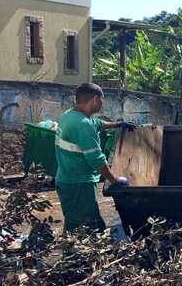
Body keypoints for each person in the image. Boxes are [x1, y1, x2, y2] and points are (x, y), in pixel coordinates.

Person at [55, 83, 134, 233]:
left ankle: (73, 252)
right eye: (102, 100)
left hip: (67, 179)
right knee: (87, 227)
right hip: (78, 183)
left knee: (74, 222)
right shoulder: (82, 125)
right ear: (96, 99)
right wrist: (114, 180)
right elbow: (96, 159)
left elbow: (97, 123)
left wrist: (118, 124)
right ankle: (77, 255)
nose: (102, 103)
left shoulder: (70, 115)